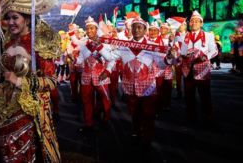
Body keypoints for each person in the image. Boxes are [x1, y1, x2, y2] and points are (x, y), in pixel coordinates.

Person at [0, 0, 61, 162]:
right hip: (6, 107)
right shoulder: (8, 41)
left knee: (23, 154)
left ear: (27, 18)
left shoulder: (39, 42)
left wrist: (21, 82)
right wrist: (2, 86)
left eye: (16, 18)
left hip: (29, 111)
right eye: (9, 18)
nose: (11, 22)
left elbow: (52, 82)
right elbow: (8, 74)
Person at [110, 17, 175, 149]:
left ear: (145, 30)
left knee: (148, 114)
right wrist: (98, 49)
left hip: (148, 87)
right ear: (130, 29)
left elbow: (161, 65)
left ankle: (147, 138)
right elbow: (111, 57)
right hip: (130, 87)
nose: (137, 30)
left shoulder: (153, 46)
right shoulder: (124, 46)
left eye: (140, 27)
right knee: (134, 113)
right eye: (134, 27)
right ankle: (136, 132)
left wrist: (168, 58)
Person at [68, 16, 115, 133]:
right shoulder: (83, 45)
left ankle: (106, 118)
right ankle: (88, 123)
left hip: (101, 75)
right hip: (86, 76)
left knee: (105, 99)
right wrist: (73, 59)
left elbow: (111, 59)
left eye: (92, 28)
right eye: (87, 29)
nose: (89, 31)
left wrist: (108, 71)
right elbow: (80, 61)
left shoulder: (105, 43)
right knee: (86, 100)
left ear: (96, 29)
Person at [179, 11, 218, 124]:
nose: (194, 23)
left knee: (205, 95)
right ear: (189, 24)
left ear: (201, 23)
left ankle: (208, 117)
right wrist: (183, 54)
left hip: (203, 70)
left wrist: (206, 56)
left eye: (197, 21)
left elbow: (214, 51)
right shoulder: (184, 36)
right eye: (192, 21)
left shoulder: (208, 35)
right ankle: (191, 117)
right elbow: (182, 52)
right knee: (189, 95)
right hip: (188, 69)